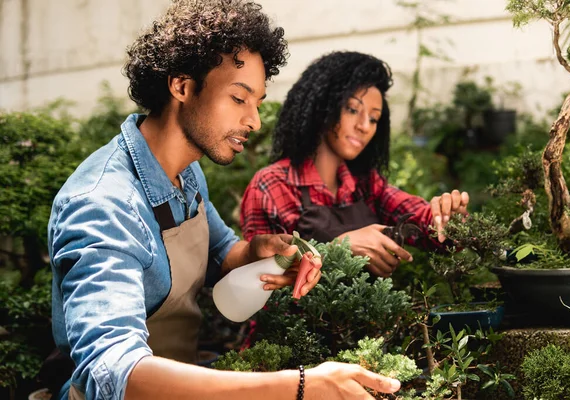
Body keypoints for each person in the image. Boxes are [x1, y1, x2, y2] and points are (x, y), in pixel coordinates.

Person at [48, 2, 401, 400]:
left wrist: (258, 252)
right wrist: (300, 384)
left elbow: (220, 252)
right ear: (182, 86)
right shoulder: (104, 203)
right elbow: (114, 374)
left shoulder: (187, 172)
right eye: (239, 99)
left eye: (258, 103)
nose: (255, 121)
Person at [240, 51, 470, 277]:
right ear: (322, 107)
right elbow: (260, 280)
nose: (365, 126)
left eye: (373, 118)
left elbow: (421, 224)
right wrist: (339, 249)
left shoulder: (366, 185)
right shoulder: (272, 186)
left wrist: (446, 217)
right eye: (352, 109)